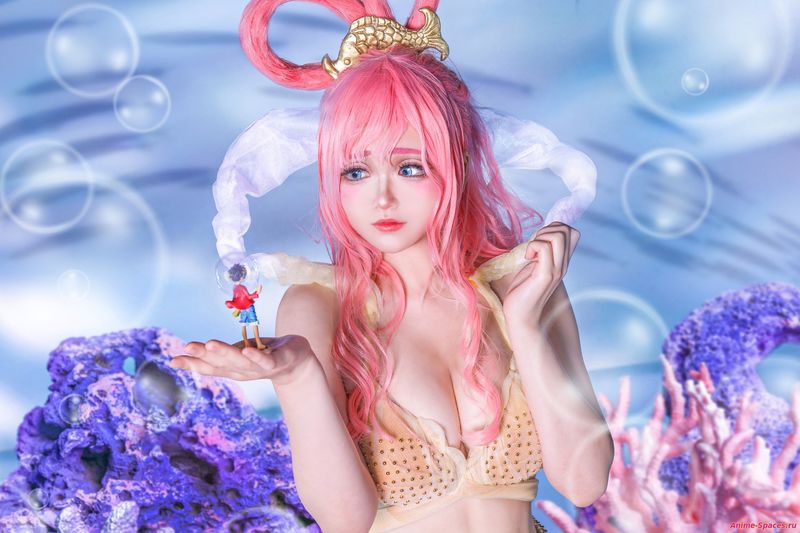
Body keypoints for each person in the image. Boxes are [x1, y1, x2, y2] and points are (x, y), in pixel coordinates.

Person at [170, 1, 613, 532]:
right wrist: (298, 376)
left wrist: (524, 324)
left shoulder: (524, 284)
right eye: (355, 172)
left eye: (409, 167)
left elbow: (584, 482)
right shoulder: (318, 308)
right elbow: (345, 521)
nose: (381, 197)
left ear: (458, 163)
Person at [224, 263, 266, 350]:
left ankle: (246, 343)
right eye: (244, 275)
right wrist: (258, 292)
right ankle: (259, 344)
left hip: (242, 309)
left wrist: (238, 308)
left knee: (243, 325)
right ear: (241, 277)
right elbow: (248, 297)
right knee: (254, 324)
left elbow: (236, 299)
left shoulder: (234, 288)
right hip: (248, 307)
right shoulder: (242, 287)